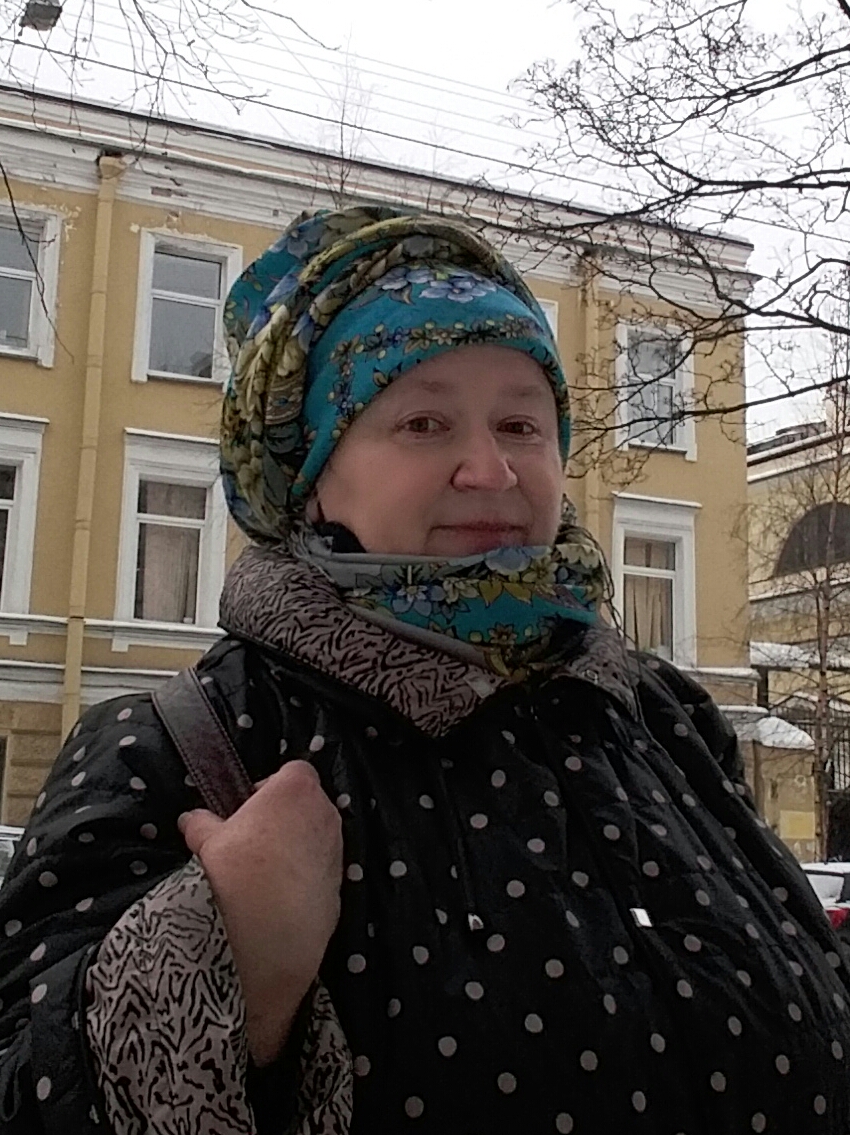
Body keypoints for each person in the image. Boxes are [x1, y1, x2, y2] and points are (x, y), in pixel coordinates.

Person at [0, 206, 848, 1135]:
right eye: (424, 421)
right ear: (311, 474)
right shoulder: (179, 747)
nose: (490, 468)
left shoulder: (661, 717)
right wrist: (217, 954)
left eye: (520, 423)